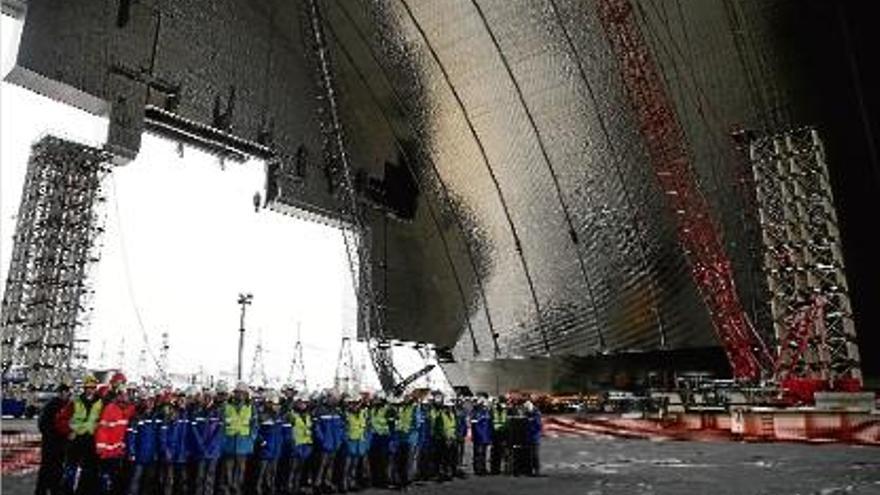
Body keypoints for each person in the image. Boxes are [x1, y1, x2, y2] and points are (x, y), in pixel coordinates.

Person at [95, 372, 135, 494]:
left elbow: (128, 414)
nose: (121, 385)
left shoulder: (124, 408)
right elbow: (103, 428)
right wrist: (101, 448)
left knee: (113, 478)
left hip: (115, 449)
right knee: (104, 478)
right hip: (107, 449)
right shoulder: (108, 403)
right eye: (119, 383)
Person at [65, 375, 104, 494]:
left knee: (90, 468)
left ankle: (85, 490)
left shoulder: (101, 402)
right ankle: (68, 490)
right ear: (84, 388)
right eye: (88, 387)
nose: (90, 389)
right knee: (71, 467)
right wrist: (69, 431)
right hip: (77, 437)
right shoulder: (76, 401)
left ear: (95, 388)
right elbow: (64, 418)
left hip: (91, 438)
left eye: (92, 387)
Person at [220, 382, 256, 495]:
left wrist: (252, 438)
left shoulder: (250, 407)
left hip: (244, 444)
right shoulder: (226, 406)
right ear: (234, 393)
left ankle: (237, 490)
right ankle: (226, 490)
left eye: (242, 393)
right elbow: (221, 425)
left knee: (240, 471)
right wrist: (223, 440)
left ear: (246, 394)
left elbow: (254, 425)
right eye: (238, 392)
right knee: (227, 470)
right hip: (228, 443)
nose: (240, 395)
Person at [35, 383, 71, 495]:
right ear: (61, 393)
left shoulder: (66, 405)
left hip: (58, 442)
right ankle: (43, 490)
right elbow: (43, 424)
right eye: (65, 392)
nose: (67, 395)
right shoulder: (52, 405)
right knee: (48, 467)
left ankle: (52, 489)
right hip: (52, 442)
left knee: (56, 467)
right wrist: (53, 436)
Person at [190, 385, 224, 495]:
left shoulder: (218, 412)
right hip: (200, 450)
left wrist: (211, 445)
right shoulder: (197, 412)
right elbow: (194, 430)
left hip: (213, 451)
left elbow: (219, 431)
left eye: (209, 397)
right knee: (199, 477)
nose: (207, 399)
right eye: (205, 397)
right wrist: (201, 445)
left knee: (210, 477)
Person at [125, 394, 160, 495]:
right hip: (139, 454)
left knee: (148, 481)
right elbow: (132, 435)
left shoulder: (156, 417)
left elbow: (159, 437)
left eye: (152, 401)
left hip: (151, 455)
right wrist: (132, 452)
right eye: (148, 401)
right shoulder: (137, 417)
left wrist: (156, 452)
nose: (150, 404)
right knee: (135, 479)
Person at [313, 392, 344, 493]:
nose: (334, 400)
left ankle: (327, 483)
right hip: (325, 444)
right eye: (332, 398)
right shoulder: (320, 411)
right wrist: (322, 440)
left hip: (334, 444)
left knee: (331, 465)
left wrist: (339, 440)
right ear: (327, 398)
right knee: (321, 465)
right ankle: (317, 484)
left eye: (336, 398)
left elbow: (341, 427)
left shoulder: (337, 411)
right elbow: (317, 428)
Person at [254, 391, 284, 495]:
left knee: (272, 472)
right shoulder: (262, 415)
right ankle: (258, 489)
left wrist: (280, 443)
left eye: (277, 404)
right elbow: (256, 430)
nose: (276, 406)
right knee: (261, 472)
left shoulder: (279, 417)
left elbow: (281, 432)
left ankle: (270, 489)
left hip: (275, 449)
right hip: (265, 449)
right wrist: (262, 441)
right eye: (273, 404)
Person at [285, 394, 313, 495]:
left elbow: (310, 429)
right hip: (295, 444)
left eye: (305, 403)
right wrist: (291, 443)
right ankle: (289, 487)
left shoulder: (308, 415)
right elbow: (287, 431)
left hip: (305, 445)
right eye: (301, 403)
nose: (303, 405)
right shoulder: (291, 415)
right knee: (292, 468)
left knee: (301, 468)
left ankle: (296, 487)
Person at [342, 397, 369, 492]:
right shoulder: (346, 415)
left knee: (354, 465)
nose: (355, 405)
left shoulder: (363, 413)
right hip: (350, 442)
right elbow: (343, 429)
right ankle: (344, 484)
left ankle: (352, 483)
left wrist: (364, 441)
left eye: (356, 403)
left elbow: (365, 428)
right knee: (346, 466)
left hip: (359, 442)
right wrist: (346, 440)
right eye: (352, 403)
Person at [394, 394, 418, 490]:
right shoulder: (400, 408)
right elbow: (397, 421)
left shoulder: (414, 408)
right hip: (400, 438)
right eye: (404, 397)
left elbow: (416, 423)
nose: (405, 398)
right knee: (400, 461)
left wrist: (408, 430)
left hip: (410, 439)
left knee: (408, 462)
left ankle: (407, 482)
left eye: (407, 397)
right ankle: (400, 481)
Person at [469, 398, 491, 476]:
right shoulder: (475, 412)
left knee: (483, 454)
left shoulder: (486, 412)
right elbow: (473, 422)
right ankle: (478, 469)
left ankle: (483, 468)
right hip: (478, 437)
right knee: (478, 453)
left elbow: (488, 425)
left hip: (485, 437)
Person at [489, 396, 509, 475]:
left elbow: (507, 422)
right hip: (495, 434)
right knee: (495, 453)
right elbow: (491, 422)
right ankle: (494, 470)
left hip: (503, 434)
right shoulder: (493, 410)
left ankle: (503, 469)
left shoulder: (506, 410)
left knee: (502, 453)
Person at [523, 401, 542, 477]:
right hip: (529, 437)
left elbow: (538, 426)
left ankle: (537, 471)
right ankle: (530, 470)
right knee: (529, 455)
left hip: (534, 437)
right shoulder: (527, 414)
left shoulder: (536, 414)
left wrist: (531, 428)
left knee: (535, 455)